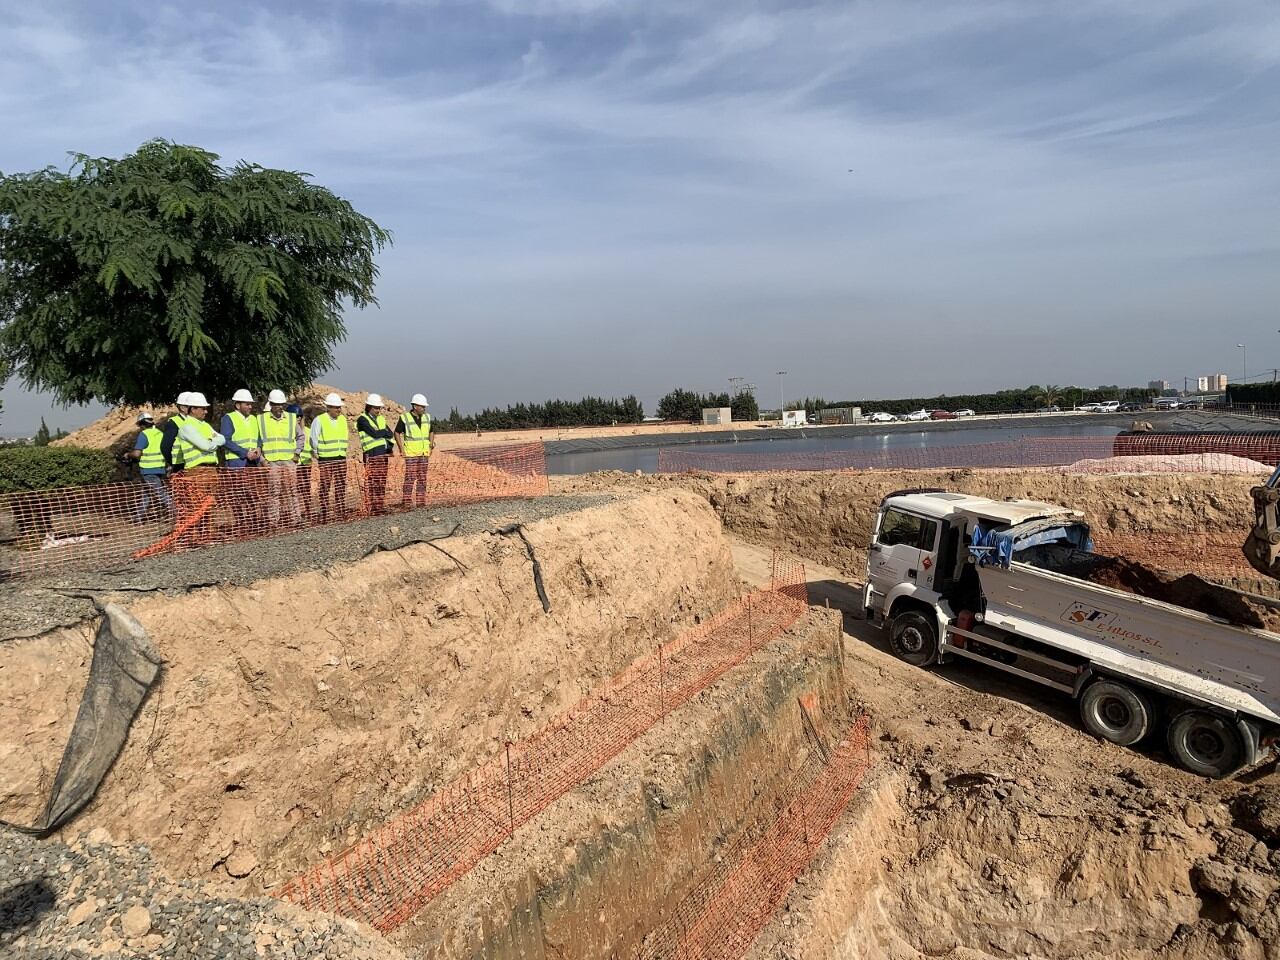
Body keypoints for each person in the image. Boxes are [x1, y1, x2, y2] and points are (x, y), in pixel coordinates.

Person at [172, 393, 227, 545]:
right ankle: (195, 537)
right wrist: (212, 441)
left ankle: (206, 536)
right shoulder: (186, 428)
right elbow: (206, 445)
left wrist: (211, 441)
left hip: (210, 470)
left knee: (210, 505)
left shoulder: (205, 425)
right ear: (193, 409)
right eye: (203, 408)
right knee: (196, 506)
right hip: (196, 472)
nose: (206, 411)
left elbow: (222, 438)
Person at [259, 389, 305, 529]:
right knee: (274, 492)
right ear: (271, 404)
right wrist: (262, 460)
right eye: (276, 404)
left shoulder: (291, 419)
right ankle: (273, 521)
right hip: (272, 462)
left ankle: (296, 518)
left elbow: (300, 436)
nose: (279, 407)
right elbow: (257, 441)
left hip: (288, 462)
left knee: (292, 490)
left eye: (281, 404)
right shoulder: (261, 420)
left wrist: (296, 454)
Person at [220, 388, 264, 536]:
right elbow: (225, 440)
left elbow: (257, 437)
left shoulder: (253, 419)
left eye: (251, 404)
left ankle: (252, 522)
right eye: (247, 404)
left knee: (252, 494)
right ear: (238, 405)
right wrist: (245, 453)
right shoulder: (228, 418)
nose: (250, 407)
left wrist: (258, 448)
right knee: (237, 495)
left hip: (252, 462)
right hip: (236, 462)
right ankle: (240, 523)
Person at [125, 412, 172, 522]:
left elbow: (137, 454)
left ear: (142, 424)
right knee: (146, 493)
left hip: (148, 469)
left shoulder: (144, 434)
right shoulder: (160, 433)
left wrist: (128, 455)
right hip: (160, 468)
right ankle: (138, 517)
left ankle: (177, 513)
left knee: (160, 493)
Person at [310, 392, 350, 522]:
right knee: (325, 486)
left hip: (340, 457)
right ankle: (324, 513)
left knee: (340, 486)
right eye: (336, 407)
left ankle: (340, 511)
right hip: (326, 458)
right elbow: (313, 438)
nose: (339, 409)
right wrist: (316, 452)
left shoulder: (343, 420)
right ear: (329, 407)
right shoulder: (320, 420)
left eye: (339, 407)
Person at [356, 393, 394, 515]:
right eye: (376, 408)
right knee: (373, 481)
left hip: (383, 454)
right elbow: (374, 434)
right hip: (371, 454)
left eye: (379, 408)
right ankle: (372, 507)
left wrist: (381, 432)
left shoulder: (381, 419)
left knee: (381, 480)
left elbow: (390, 434)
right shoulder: (362, 419)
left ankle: (379, 506)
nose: (378, 410)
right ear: (369, 407)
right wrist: (382, 432)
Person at [395, 393, 432, 509]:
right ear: (415, 406)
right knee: (410, 477)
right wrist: (401, 449)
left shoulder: (427, 417)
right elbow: (397, 433)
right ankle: (407, 502)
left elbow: (431, 431)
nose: (424, 408)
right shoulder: (405, 418)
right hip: (411, 453)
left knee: (422, 478)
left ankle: (421, 501)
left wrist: (430, 445)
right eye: (422, 406)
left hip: (424, 453)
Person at [160, 392, 193, 472]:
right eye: (193, 407)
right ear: (182, 408)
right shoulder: (174, 422)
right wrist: (175, 465)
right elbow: (165, 448)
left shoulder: (195, 422)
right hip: (181, 467)